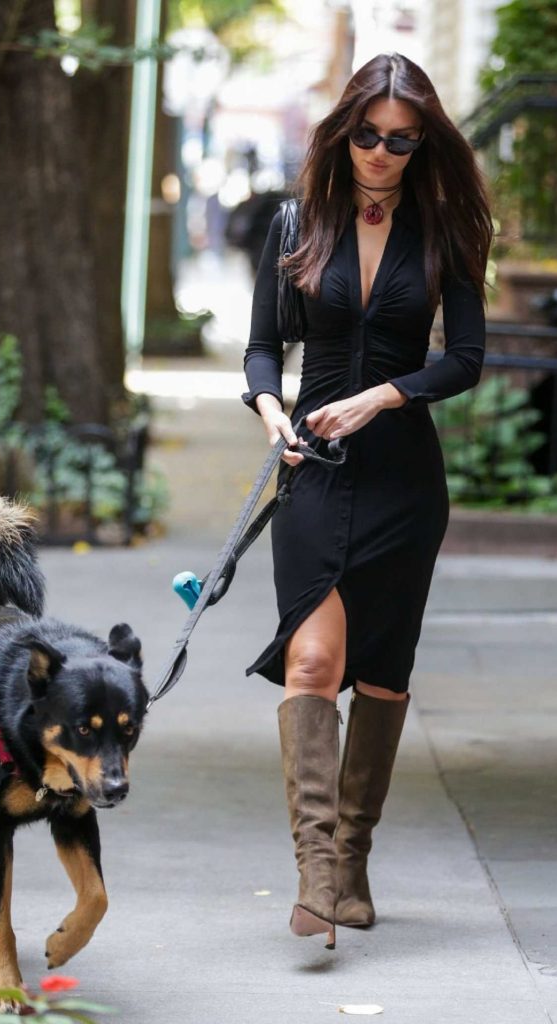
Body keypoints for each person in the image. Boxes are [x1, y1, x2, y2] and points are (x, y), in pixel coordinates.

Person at [242, 52, 492, 950]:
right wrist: (274, 411)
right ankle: (315, 873)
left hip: (402, 476)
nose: (381, 153)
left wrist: (384, 395)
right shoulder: (295, 222)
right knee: (312, 661)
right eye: (367, 135)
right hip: (313, 468)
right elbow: (262, 349)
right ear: (341, 130)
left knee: (382, 672)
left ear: (421, 143)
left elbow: (463, 357)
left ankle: (351, 863)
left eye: (401, 140)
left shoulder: (449, 232)